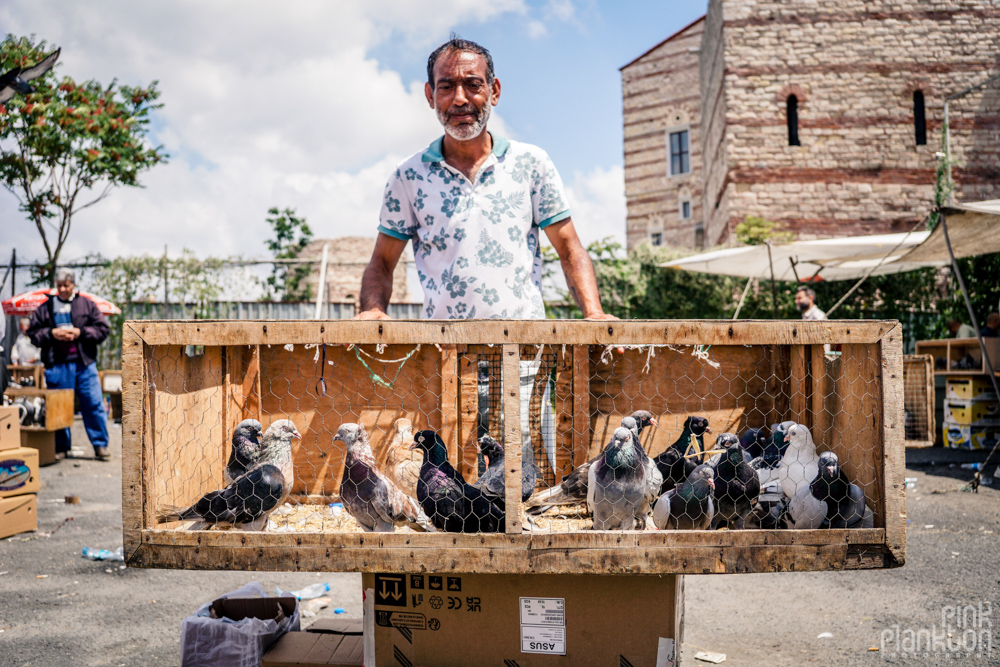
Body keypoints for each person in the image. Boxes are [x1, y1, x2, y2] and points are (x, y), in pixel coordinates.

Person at [356, 37, 614, 322]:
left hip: (523, 351)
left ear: (494, 91)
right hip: (443, 353)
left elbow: (569, 250)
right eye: (446, 86)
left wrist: (595, 314)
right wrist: (374, 311)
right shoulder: (408, 176)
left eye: (473, 84)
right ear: (430, 95)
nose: (460, 98)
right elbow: (381, 263)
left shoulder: (531, 163)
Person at [26, 269, 112, 461]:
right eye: (59, 286)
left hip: (84, 364)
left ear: (73, 285)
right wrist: (51, 333)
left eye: (66, 285)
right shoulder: (45, 308)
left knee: (94, 403)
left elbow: (102, 330)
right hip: (57, 365)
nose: (63, 289)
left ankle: (100, 445)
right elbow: (33, 333)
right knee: (59, 407)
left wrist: (80, 332)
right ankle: (61, 447)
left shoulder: (86, 304)